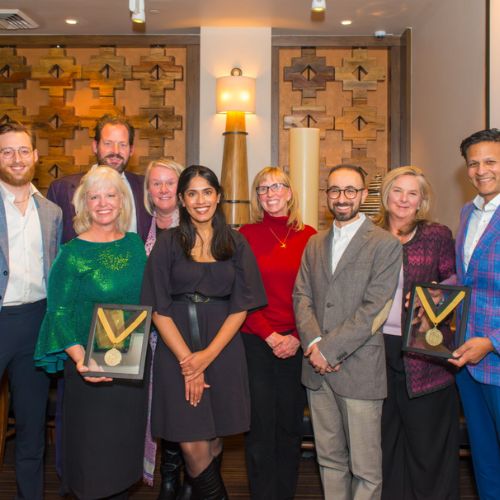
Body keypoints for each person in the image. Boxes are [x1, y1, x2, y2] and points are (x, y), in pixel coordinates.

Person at [141, 165, 267, 499]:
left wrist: (207, 357)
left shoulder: (235, 242)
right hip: (175, 349)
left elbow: (241, 305)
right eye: (192, 193)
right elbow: (157, 307)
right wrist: (188, 361)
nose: (201, 200)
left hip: (223, 350)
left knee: (213, 436)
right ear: (181, 200)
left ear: (218, 196)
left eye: (207, 192)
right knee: (191, 439)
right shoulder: (167, 244)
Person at [35, 166, 148, 499]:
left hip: (131, 368)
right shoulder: (71, 254)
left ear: (122, 200)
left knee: (124, 452)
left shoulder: (135, 245)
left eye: (110, 195)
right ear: (83, 204)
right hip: (87, 368)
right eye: (94, 196)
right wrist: (82, 360)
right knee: (93, 455)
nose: (103, 203)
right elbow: (57, 312)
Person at [293, 165, 401, 500]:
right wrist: (313, 345)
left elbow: (374, 308)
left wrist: (330, 350)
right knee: (329, 461)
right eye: (335, 190)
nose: (342, 198)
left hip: (359, 369)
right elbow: (302, 295)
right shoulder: (314, 242)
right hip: (317, 371)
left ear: (364, 196)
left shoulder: (385, 244)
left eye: (350, 190)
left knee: (366, 470)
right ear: (327, 195)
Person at [374, 166, 459, 500]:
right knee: (384, 441)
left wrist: (436, 291)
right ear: (387, 195)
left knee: (427, 445)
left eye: (412, 193)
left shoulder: (437, 234)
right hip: (377, 349)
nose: (404, 199)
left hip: (425, 352)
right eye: (398, 191)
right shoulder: (370, 233)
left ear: (422, 200)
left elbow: (454, 278)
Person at [239, 166, 316, 500]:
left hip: (297, 343)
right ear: (257, 197)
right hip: (256, 341)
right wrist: (270, 335)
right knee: (259, 427)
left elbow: (318, 293)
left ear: (289, 192)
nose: (270, 193)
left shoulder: (310, 236)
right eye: (262, 188)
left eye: (277, 186)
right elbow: (241, 292)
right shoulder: (244, 234)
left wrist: (297, 337)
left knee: (289, 426)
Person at [0, 121, 62, 500]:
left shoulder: (52, 211)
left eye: (23, 150)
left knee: (31, 427)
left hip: (36, 324)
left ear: (36, 156)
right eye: (7, 151)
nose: (16, 158)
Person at [449, 129, 500, 500]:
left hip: (494, 355)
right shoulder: (468, 211)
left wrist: (493, 342)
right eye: (473, 163)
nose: (481, 170)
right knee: (484, 457)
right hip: (467, 357)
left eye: (490, 161)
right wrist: (426, 296)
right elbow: (464, 277)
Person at [142, 158, 189, 500]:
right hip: (150, 339)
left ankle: (191, 477)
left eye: (169, 182)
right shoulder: (138, 229)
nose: (162, 189)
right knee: (162, 405)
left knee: (186, 406)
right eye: (155, 183)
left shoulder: (195, 226)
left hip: (187, 333)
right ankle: (168, 476)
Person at [47, 114, 151, 243]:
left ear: (131, 150)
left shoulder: (146, 188)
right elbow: (50, 244)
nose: (116, 151)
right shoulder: (61, 189)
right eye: (108, 143)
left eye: (123, 145)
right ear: (95, 146)